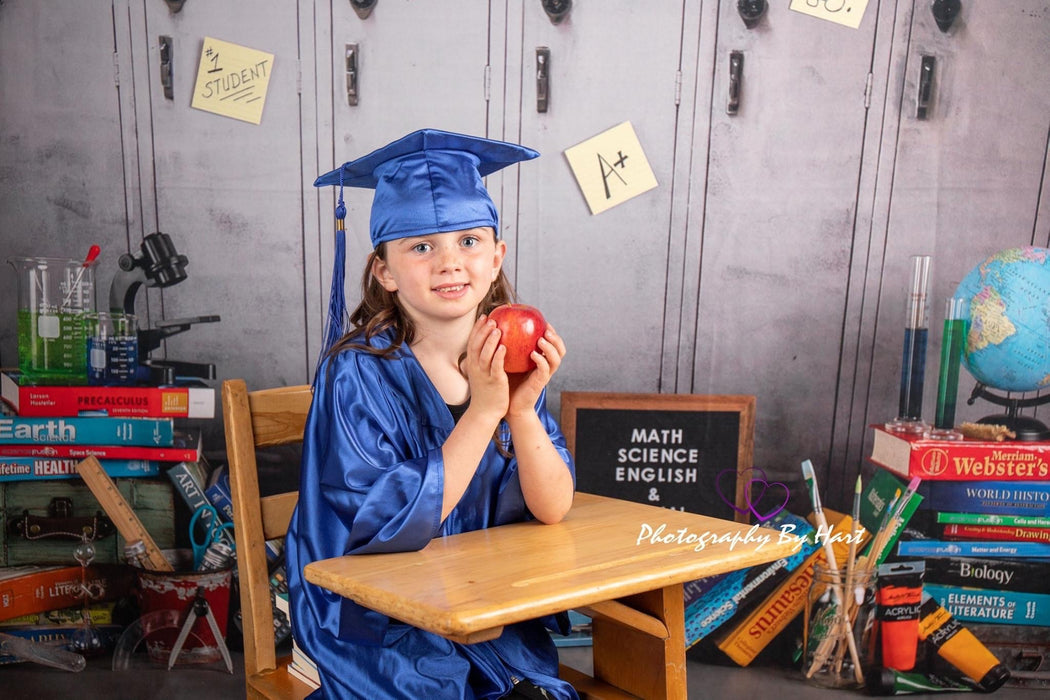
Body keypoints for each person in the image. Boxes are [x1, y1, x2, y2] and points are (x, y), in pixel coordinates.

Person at [285, 129, 579, 700]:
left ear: (496, 259)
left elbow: (552, 507)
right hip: (375, 613)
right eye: (420, 246)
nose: (449, 262)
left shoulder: (506, 358)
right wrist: (483, 412)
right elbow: (381, 529)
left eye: (469, 241)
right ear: (384, 271)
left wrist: (518, 410)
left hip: (483, 601)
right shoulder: (357, 374)